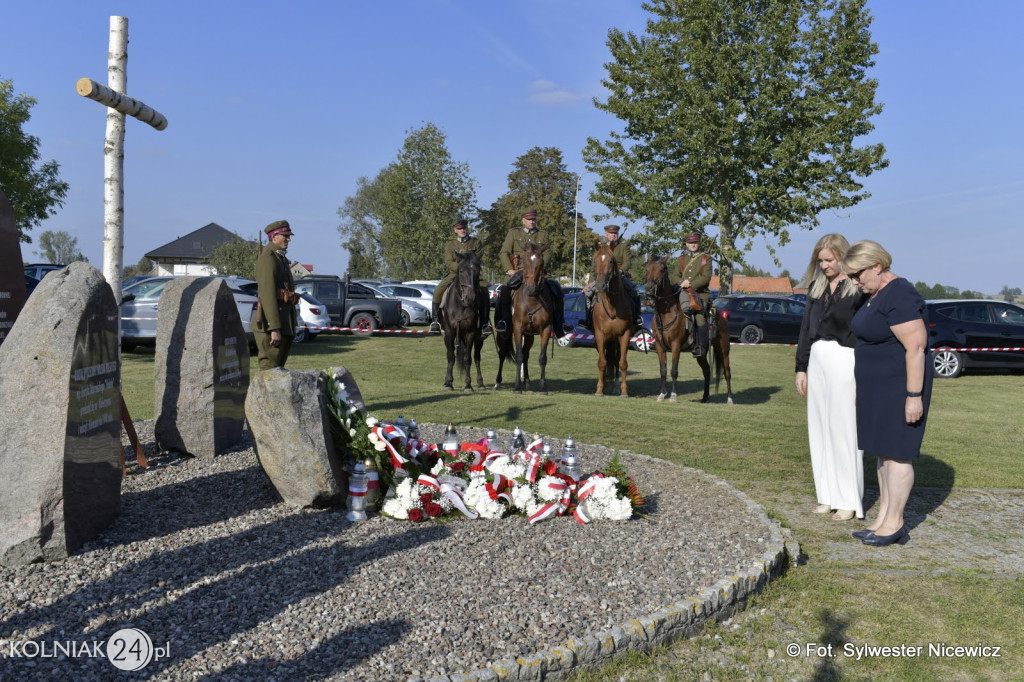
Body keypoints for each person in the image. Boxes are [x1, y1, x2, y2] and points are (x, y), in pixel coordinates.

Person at [843, 240, 932, 547]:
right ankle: (883, 517)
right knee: (882, 453)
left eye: (857, 274)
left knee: (897, 454)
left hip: (899, 386)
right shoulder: (875, 294)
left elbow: (916, 347)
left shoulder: (900, 293)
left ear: (877, 266)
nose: (854, 281)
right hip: (876, 388)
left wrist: (913, 395)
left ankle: (895, 522)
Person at [794, 234, 867, 522]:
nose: (824, 265)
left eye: (830, 260)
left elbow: (863, 332)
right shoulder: (816, 287)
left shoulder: (857, 290)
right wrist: (801, 367)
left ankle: (848, 499)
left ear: (843, 257)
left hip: (845, 360)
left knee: (844, 430)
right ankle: (826, 496)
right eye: (821, 260)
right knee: (820, 429)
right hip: (817, 360)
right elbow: (804, 330)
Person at [493, 209, 572, 335]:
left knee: (557, 290)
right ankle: (504, 321)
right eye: (529, 220)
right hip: (518, 271)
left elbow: (548, 253)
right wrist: (509, 269)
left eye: (534, 219)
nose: (532, 222)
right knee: (504, 290)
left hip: (537, 273)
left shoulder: (543, 235)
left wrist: (540, 267)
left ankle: (559, 324)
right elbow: (504, 252)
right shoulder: (513, 233)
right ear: (523, 221)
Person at [429, 219, 491, 334]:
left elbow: (477, 260)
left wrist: (468, 268)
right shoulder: (450, 244)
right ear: (455, 230)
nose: (463, 230)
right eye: (460, 228)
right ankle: (435, 321)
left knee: (484, 292)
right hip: (454, 273)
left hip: (472, 275)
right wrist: (460, 268)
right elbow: (448, 261)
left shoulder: (475, 242)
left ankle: (484, 324)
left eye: (464, 228)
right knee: (438, 291)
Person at [253, 220, 299, 370]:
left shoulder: (280, 258)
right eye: (285, 235)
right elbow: (267, 295)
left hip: (283, 323)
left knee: (277, 371)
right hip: (271, 326)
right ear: (274, 236)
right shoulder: (268, 258)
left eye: (288, 236)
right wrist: (274, 328)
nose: (288, 239)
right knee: (269, 371)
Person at [581, 224, 644, 332]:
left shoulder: (623, 246)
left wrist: (620, 270)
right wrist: (590, 282)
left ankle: (636, 318)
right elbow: (594, 267)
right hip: (602, 276)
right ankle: (588, 319)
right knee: (587, 293)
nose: (613, 235)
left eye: (615, 233)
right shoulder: (600, 248)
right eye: (611, 233)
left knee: (635, 291)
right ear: (606, 234)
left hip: (620, 276)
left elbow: (628, 262)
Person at [668, 233, 713, 355]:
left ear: (699, 244)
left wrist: (690, 284)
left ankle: (701, 346)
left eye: (695, 243)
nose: (693, 245)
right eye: (691, 243)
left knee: (699, 316)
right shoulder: (682, 259)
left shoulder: (706, 258)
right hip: (682, 292)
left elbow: (705, 278)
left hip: (700, 293)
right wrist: (681, 282)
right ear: (687, 244)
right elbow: (674, 276)